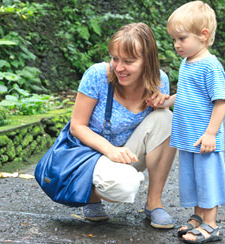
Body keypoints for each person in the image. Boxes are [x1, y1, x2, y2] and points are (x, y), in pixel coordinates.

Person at [70, 22, 177, 229]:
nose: (119, 67)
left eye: (128, 61)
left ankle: (154, 203)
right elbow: (77, 126)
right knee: (124, 187)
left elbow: (158, 132)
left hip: (128, 156)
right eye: (115, 58)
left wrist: (160, 103)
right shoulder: (98, 75)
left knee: (166, 118)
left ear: (147, 61)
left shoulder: (159, 80)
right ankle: (90, 195)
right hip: (91, 157)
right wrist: (111, 151)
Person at [148, 1, 225, 242]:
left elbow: (220, 102)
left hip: (204, 137)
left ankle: (211, 224)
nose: (176, 45)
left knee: (207, 180)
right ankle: (197, 217)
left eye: (181, 39)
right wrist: (164, 102)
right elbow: (186, 95)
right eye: (174, 39)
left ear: (203, 35)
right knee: (193, 180)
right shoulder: (187, 63)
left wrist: (210, 134)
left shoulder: (210, 67)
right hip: (187, 137)